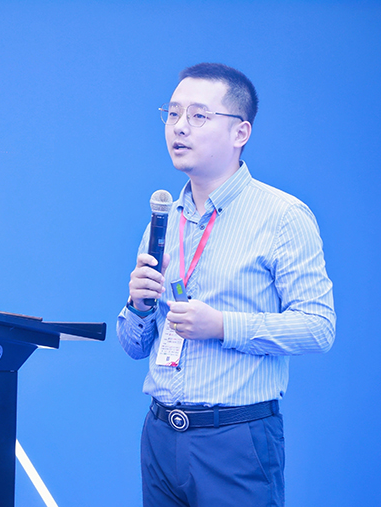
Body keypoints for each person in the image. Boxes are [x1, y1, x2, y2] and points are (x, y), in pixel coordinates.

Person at [117, 63, 336, 507]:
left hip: (235, 440)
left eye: (198, 115)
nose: (180, 127)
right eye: (172, 113)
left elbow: (318, 328)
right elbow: (135, 346)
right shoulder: (165, 219)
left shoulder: (283, 217)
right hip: (160, 436)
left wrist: (221, 326)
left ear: (240, 132)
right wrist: (138, 307)